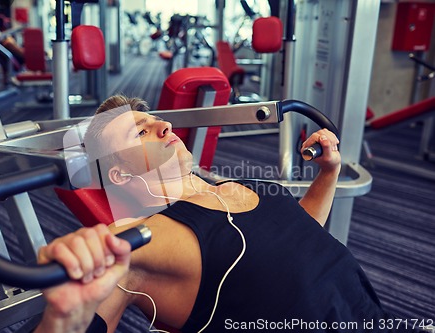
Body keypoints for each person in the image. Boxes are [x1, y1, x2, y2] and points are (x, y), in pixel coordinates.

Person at [34, 95, 424, 333]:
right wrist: (61, 317)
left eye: (156, 121)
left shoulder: (237, 185)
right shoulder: (139, 240)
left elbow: (302, 235)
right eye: (141, 132)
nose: (164, 125)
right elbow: (81, 313)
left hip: (373, 314)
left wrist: (328, 172)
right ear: (120, 173)